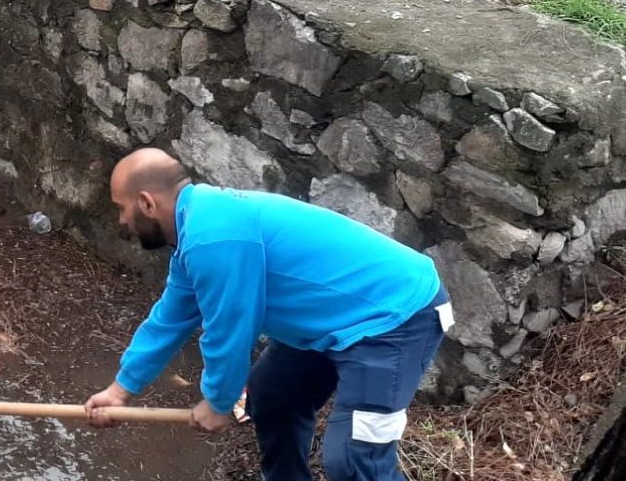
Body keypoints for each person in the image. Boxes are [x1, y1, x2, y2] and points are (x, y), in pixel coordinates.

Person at [83, 148, 452, 481]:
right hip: (334, 323)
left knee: (355, 460)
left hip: (393, 318)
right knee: (274, 396)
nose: (121, 221)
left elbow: (230, 326)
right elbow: (168, 319)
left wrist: (217, 401)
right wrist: (119, 391)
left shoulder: (213, 236)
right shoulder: (196, 232)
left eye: (121, 207)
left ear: (146, 203)